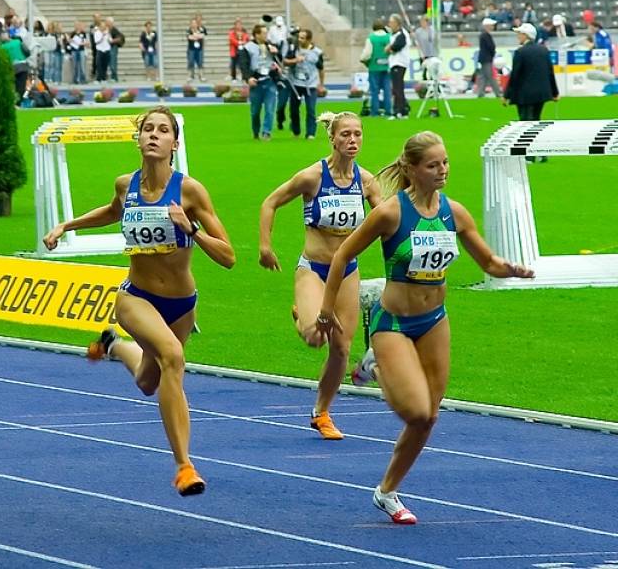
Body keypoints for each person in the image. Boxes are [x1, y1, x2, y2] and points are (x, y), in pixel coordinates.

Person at [314, 131, 534, 524]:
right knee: (415, 412)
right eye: (433, 165)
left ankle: (387, 492)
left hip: (434, 321)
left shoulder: (454, 212)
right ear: (412, 169)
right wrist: (327, 309)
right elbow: (343, 254)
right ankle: (376, 364)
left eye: (445, 162)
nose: (442, 170)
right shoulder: (391, 213)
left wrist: (511, 269)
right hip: (394, 322)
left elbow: (488, 262)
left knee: (429, 417)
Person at [43, 107, 235, 495]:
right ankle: (184, 466)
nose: (154, 135)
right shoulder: (124, 185)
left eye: (163, 130)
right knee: (172, 359)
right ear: (139, 138)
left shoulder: (190, 191)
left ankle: (113, 345)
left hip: (181, 304)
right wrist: (67, 225)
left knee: (149, 381)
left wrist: (191, 229)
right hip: (136, 297)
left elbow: (228, 256)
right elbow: (112, 211)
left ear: (174, 143)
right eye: (148, 129)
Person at [259, 111, 382, 439]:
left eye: (357, 134)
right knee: (315, 338)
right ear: (332, 138)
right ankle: (303, 315)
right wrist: (265, 246)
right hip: (314, 269)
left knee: (341, 349)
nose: (352, 140)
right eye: (345, 134)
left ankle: (322, 412)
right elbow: (270, 202)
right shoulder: (312, 177)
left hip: (347, 272)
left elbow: (386, 217)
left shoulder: (366, 181)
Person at [503, 23, 559, 162]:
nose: (518, 36)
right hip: (541, 93)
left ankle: (529, 155)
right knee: (536, 122)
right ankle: (542, 152)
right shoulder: (543, 50)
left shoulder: (520, 52)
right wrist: (555, 92)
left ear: (526, 35)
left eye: (519, 34)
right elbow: (550, 72)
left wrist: (506, 95)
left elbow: (515, 76)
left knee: (525, 124)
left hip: (525, 94)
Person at [242, 24, 281, 140]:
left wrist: (276, 54)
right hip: (256, 81)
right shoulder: (248, 48)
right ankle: (256, 131)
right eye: (264, 33)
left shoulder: (271, 46)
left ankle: (266, 132)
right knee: (255, 111)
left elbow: (280, 60)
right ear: (257, 35)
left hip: (269, 80)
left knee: (270, 109)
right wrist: (248, 78)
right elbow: (244, 65)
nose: (266, 35)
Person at [284, 29, 324, 138]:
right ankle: (296, 131)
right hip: (296, 84)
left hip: (311, 85)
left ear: (309, 39)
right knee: (294, 109)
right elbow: (285, 61)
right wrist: (295, 60)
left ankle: (310, 133)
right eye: (299, 37)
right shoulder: (294, 49)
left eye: (302, 38)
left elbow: (321, 69)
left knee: (311, 109)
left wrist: (321, 84)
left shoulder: (317, 52)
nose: (299, 39)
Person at [359, 18, 392, 118]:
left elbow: (367, 54)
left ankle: (375, 111)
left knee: (374, 91)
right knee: (387, 90)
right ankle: (388, 110)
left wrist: (362, 59)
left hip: (374, 67)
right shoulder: (389, 37)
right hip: (387, 67)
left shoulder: (371, 38)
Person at [385, 15, 410, 120]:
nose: (390, 24)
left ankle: (398, 111)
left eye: (391, 22)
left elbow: (395, 47)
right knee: (398, 88)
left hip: (398, 63)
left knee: (397, 88)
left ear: (397, 23)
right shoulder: (395, 34)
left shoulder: (401, 34)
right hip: (396, 63)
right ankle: (403, 110)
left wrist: (389, 48)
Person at [477, 18, 502, 98]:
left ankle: (481, 93)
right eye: (491, 25)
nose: (493, 27)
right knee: (490, 76)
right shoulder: (485, 35)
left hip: (485, 58)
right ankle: (498, 92)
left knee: (483, 76)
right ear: (487, 26)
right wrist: (493, 53)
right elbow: (490, 46)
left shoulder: (484, 35)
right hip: (486, 58)